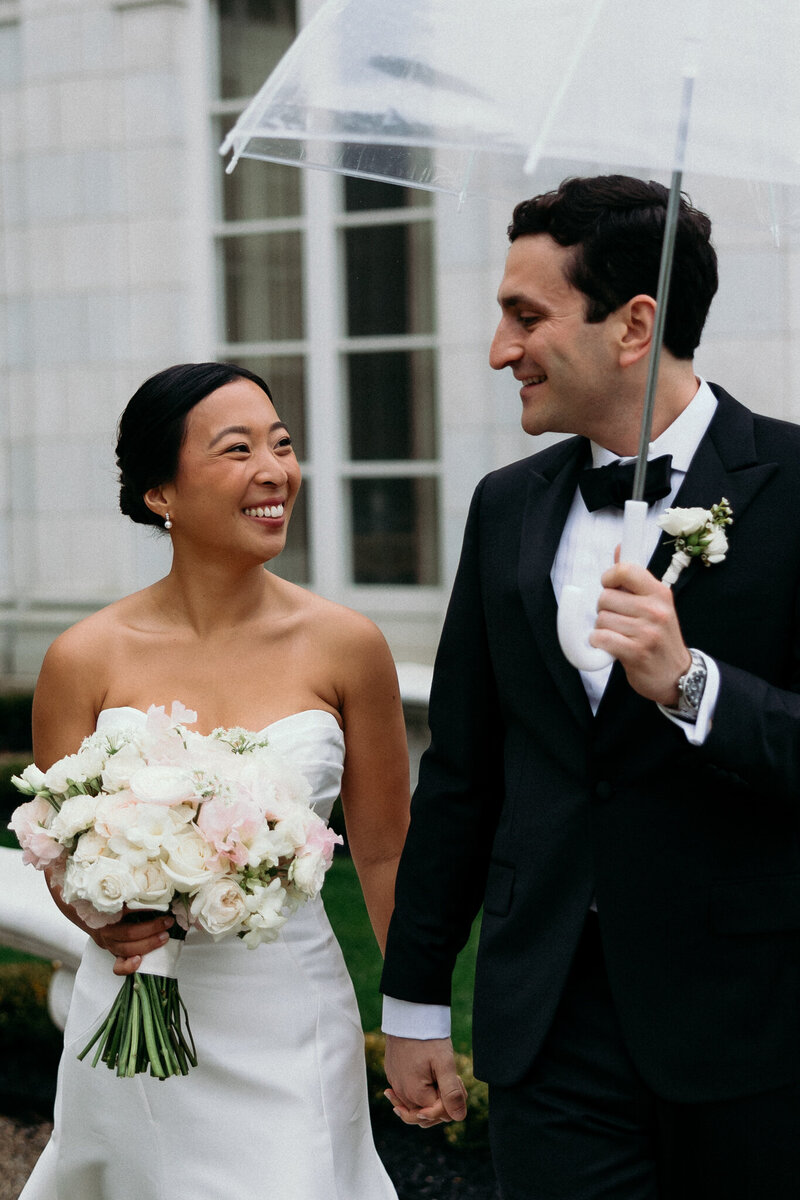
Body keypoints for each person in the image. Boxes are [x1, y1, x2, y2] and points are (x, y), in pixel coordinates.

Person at [379, 175, 800, 1199]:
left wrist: (690, 683)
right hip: (547, 1022)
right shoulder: (504, 508)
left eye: (524, 316)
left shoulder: (790, 486)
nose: (497, 351)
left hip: (755, 1025)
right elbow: (464, 772)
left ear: (632, 324)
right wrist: (415, 1002)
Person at [20, 362, 409, 1200]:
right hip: (130, 1009)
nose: (274, 471)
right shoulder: (83, 658)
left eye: (282, 444)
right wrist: (99, 917)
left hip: (290, 1015)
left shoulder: (348, 646)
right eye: (237, 450)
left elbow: (383, 854)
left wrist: (418, 1024)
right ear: (161, 491)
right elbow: (57, 853)